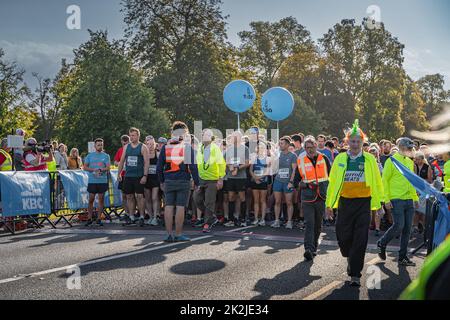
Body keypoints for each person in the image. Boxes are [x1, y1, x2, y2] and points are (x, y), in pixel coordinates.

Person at [325, 120, 383, 287]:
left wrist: (379, 204)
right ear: (347, 142)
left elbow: (377, 183)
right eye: (353, 141)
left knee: (360, 238)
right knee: (343, 237)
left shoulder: (370, 159)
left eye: (358, 141)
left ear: (363, 142)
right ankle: (350, 256)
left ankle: (355, 274)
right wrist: (329, 205)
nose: (356, 144)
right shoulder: (340, 159)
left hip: (364, 203)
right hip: (345, 203)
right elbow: (333, 182)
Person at [377, 137, 419, 267]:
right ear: (401, 148)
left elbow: (411, 181)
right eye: (409, 148)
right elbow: (385, 181)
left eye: (412, 148)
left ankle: (402, 257)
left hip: (408, 200)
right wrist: (386, 199)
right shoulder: (392, 161)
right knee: (399, 225)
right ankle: (382, 243)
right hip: (396, 199)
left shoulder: (410, 162)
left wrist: (415, 198)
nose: (411, 150)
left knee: (407, 229)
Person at [157, 121, 199, 242]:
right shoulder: (187, 147)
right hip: (183, 180)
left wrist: (161, 182)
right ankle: (178, 234)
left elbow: (159, 168)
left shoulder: (165, 147)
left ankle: (169, 234)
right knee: (180, 207)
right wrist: (197, 182)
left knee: (168, 206)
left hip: (169, 180)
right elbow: (193, 167)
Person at [294, 136, 331, 261]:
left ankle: (314, 248)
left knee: (318, 225)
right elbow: (296, 182)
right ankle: (308, 249)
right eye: (307, 148)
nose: (310, 150)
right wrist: (306, 185)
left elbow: (331, 176)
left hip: (321, 196)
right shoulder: (301, 160)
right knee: (309, 223)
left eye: (312, 147)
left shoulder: (324, 158)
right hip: (308, 197)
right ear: (304, 148)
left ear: (316, 146)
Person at [194, 129, 226, 233]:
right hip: (202, 179)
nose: (205, 136)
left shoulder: (215, 148)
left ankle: (207, 223)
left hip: (212, 179)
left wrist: (220, 179)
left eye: (208, 135)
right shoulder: (200, 147)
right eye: (204, 135)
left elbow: (221, 163)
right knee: (196, 199)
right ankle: (211, 217)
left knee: (209, 202)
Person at [117, 128, 150, 227]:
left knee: (140, 196)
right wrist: (119, 173)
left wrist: (145, 175)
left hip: (139, 176)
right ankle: (131, 217)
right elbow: (122, 161)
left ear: (138, 136)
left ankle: (142, 216)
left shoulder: (143, 147)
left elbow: (146, 162)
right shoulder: (126, 147)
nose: (132, 137)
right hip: (128, 176)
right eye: (130, 135)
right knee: (129, 196)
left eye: (134, 135)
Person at [223, 131, 250, 227]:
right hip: (230, 177)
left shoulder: (245, 149)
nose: (235, 138)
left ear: (240, 138)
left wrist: (237, 168)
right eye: (234, 136)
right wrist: (230, 166)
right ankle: (231, 219)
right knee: (230, 197)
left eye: (237, 136)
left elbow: (247, 163)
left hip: (241, 177)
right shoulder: (229, 149)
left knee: (242, 197)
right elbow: (225, 161)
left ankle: (243, 219)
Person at [83, 138, 111, 226]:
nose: (100, 146)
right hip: (92, 180)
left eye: (101, 145)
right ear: (94, 146)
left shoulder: (106, 156)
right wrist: (93, 170)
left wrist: (101, 169)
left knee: (101, 199)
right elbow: (85, 167)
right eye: (98, 145)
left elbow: (108, 167)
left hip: (102, 180)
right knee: (91, 199)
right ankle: (89, 218)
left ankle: (99, 218)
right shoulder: (90, 156)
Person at [271, 136, 298, 229]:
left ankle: (289, 222)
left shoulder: (293, 155)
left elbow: (294, 170)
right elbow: (273, 168)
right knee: (277, 201)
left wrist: (291, 182)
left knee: (289, 202)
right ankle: (277, 220)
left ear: (287, 145)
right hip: (278, 181)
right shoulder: (278, 155)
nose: (280, 145)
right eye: (279, 143)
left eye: (282, 143)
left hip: (288, 182)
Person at [249, 141, 272, 226]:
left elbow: (267, 171)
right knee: (256, 200)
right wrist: (255, 178)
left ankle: (262, 219)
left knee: (262, 200)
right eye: (259, 147)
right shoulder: (254, 158)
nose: (260, 149)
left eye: (262, 147)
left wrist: (259, 178)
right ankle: (256, 218)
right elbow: (251, 170)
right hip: (255, 181)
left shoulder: (267, 159)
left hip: (263, 181)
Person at [413, 151, 433, 234]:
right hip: (416, 189)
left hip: (424, 190)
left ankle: (424, 227)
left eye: (418, 159)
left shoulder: (427, 167)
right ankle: (415, 226)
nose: (416, 161)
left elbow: (430, 180)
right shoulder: (414, 166)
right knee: (416, 209)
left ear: (422, 159)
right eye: (415, 159)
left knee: (423, 210)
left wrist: (420, 180)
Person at [144, 135, 160, 226]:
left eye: (152, 144)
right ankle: (150, 216)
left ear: (154, 144)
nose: (150, 146)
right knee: (148, 199)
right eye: (148, 144)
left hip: (155, 179)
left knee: (154, 198)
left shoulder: (157, 154)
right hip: (146, 178)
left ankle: (155, 217)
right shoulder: (144, 154)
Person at [368, 145, 384, 237]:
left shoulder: (379, 165)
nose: (373, 155)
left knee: (378, 208)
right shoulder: (366, 164)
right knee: (369, 209)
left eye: (375, 154)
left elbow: (382, 176)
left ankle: (377, 228)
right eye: (371, 154)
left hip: (377, 189)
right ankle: (369, 225)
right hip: (368, 189)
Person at [114, 135, 130, 217]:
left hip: (132, 175)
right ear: (121, 142)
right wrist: (121, 163)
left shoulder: (132, 149)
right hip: (123, 175)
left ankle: (133, 213)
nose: (125, 145)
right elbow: (115, 162)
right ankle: (127, 213)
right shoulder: (120, 150)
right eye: (123, 143)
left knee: (132, 195)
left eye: (126, 143)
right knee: (124, 195)